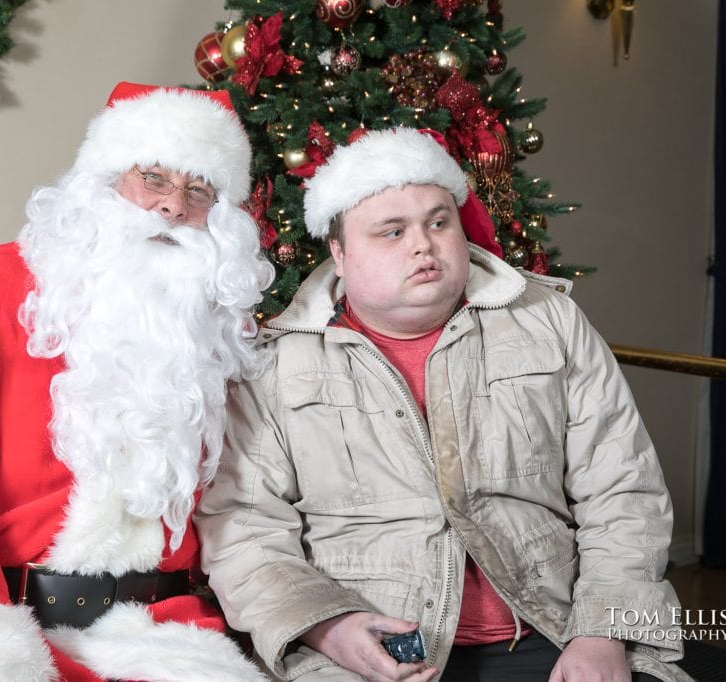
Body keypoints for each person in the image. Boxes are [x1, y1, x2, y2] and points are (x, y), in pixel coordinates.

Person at [196, 127, 691, 682]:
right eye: (391, 231)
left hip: (556, 628)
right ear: (338, 251)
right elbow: (243, 527)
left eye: (438, 222)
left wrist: (602, 633)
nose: (423, 245)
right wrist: (330, 628)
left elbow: (624, 489)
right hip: (367, 649)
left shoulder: (549, 321)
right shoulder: (275, 363)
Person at [0, 82, 274, 681]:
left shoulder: (218, 335)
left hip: (169, 631)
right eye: (155, 180)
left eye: (198, 191)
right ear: (105, 180)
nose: (172, 208)